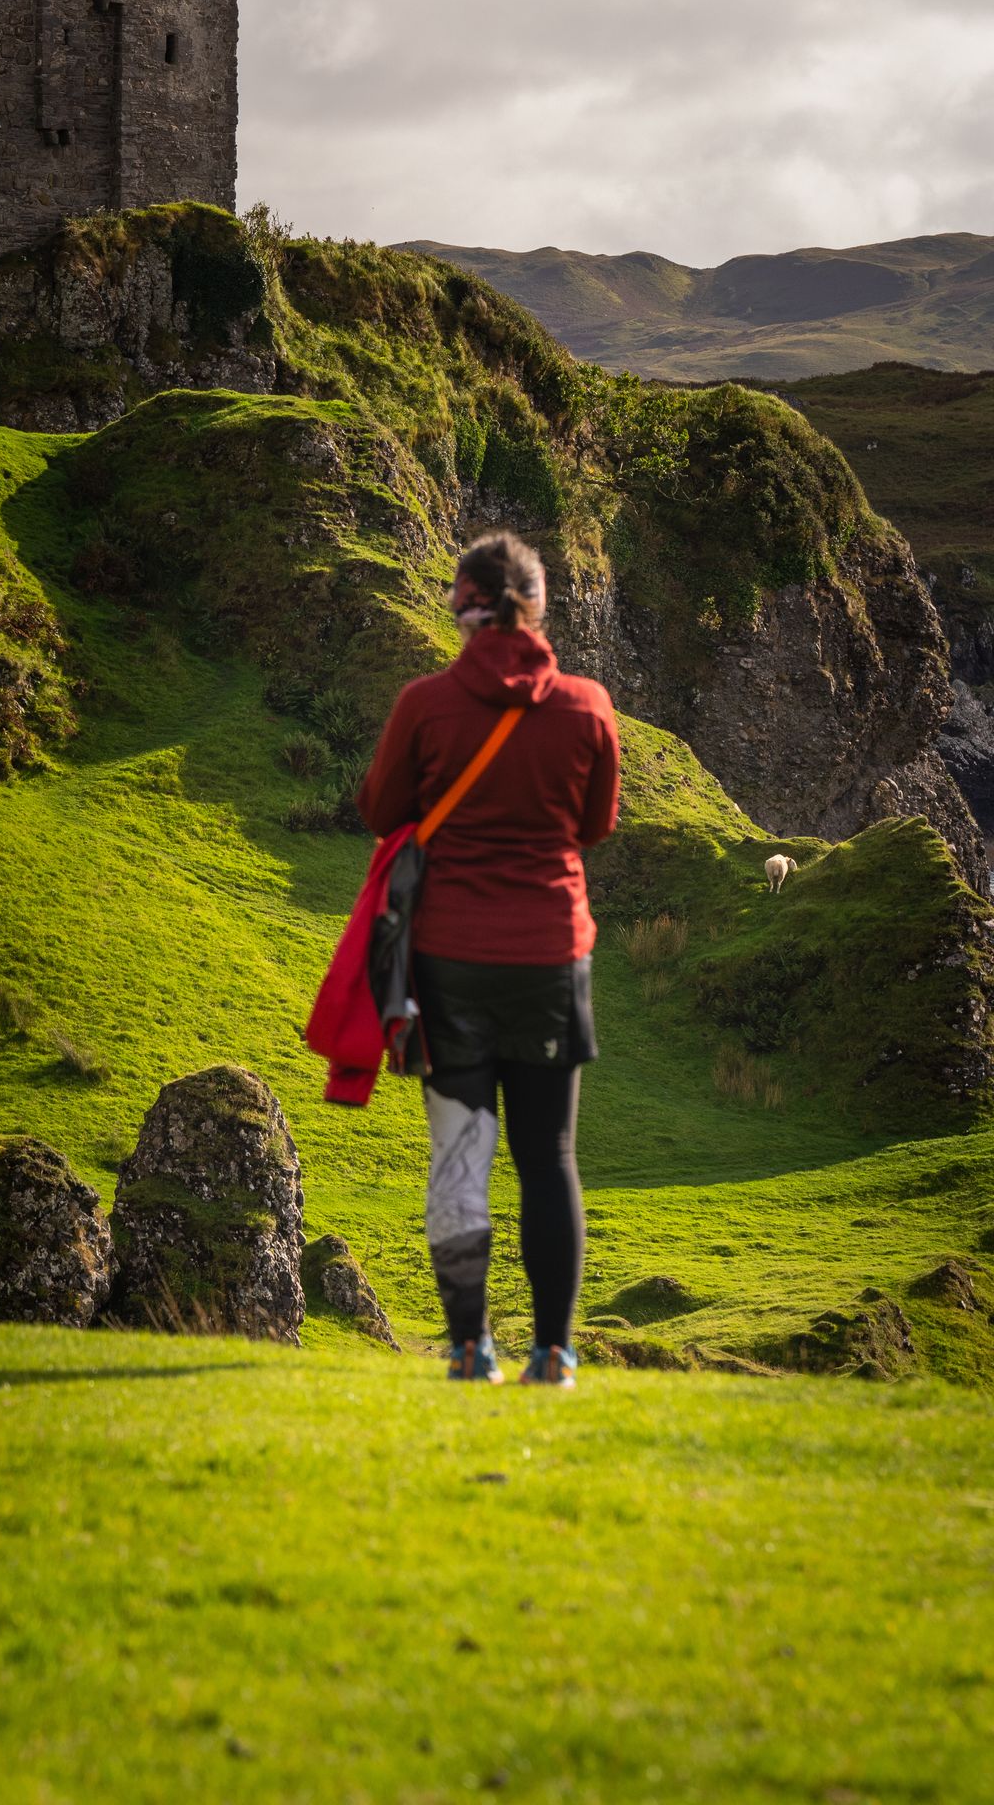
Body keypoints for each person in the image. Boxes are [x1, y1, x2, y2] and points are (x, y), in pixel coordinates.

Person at [356, 531, 620, 1388]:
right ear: (540, 603)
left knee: (462, 1153)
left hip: (450, 958)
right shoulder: (587, 706)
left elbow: (380, 807)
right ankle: (555, 1352)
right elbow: (596, 824)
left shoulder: (426, 704)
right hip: (550, 953)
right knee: (549, 1157)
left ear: (461, 607)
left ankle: (471, 1348)